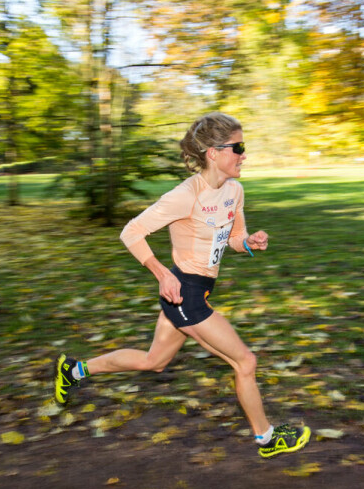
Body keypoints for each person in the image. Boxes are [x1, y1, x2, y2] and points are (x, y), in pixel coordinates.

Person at [53, 112, 310, 459]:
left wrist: (251, 243)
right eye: (239, 147)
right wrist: (162, 273)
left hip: (196, 289)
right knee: (245, 362)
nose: (244, 155)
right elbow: (131, 232)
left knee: (153, 362)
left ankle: (74, 369)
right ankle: (266, 439)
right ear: (213, 153)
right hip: (184, 293)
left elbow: (233, 239)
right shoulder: (185, 194)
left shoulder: (234, 191)